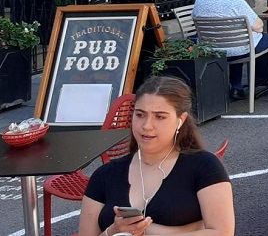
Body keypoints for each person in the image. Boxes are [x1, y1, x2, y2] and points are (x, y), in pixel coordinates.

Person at [79, 76, 234, 236]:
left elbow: (223, 232)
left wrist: (144, 231)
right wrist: (113, 230)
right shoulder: (105, 175)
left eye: (160, 117)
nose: (147, 126)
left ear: (181, 120)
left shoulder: (204, 166)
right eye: (140, 115)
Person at [193, 0, 268, 101]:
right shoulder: (236, 2)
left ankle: (237, 86)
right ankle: (263, 81)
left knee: (235, 42)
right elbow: (259, 26)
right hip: (238, 50)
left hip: (211, 48)